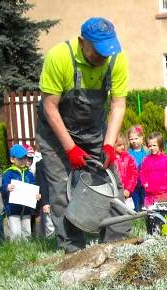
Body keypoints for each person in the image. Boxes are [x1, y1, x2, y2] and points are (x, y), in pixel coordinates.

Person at [36, 17, 130, 253]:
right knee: (61, 189)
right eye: (98, 51)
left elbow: (118, 105)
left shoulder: (116, 59)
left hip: (93, 131)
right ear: (82, 42)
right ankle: (73, 249)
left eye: (107, 51)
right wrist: (70, 148)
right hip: (55, 133)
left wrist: (108, 145)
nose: (103, 57)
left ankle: (118, 244)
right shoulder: (60, 57)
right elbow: (49, 107)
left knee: (110, 182)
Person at [2, 144, 41, 240]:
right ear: (12, 159)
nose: (23, 160)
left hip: (26, 208)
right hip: (13, 209)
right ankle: (16, 251)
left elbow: (33, 187)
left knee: (27, 231)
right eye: (20, 158)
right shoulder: (8, 173)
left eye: (24, 158)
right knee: (15, 233)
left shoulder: (29, 174)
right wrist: (7, 188)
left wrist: (36, 195)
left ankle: (27, 250)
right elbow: (2, 189)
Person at [139, 132, 167, 207]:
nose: (152, 148)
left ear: (160, 145)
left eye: (154, 145)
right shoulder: (146, 160)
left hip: (163, 195)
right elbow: (142, 173)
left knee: (162, 216)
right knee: (150, 217)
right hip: (149, 196)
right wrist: (144, 182)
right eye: (150, 146)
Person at [113, 133, 138, 210]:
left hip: (127, 194)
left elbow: (133, 175)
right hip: (114, 194)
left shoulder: (129, 158)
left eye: (123, 145)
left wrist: (128, 189)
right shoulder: (109, 159)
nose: (122, 147)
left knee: (128, 215)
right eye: (119, 145)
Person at [127, 125, 148, 211]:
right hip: (133, 183)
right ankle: (136, 214)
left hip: (144, 182)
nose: (134, 141)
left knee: (144, 200)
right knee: (135, 201)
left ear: (141, 138)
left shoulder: (146, 151)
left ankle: (144, 213)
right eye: (131, 139)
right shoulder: (128, 152)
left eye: (136, 138)